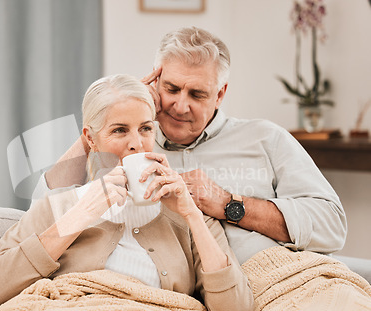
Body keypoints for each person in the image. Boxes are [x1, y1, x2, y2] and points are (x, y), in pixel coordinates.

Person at [38, 27, 347, 265]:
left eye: (197, 94)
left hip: (272, 281)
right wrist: (106, 119)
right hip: (173, 301)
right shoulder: (128, 144)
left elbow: (332, 225)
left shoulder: (266, 138)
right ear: (155, 82)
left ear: (220, 94)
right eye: (171, 88)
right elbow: (42, 206)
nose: (180, 106)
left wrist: (229, 205)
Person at [0, 74, 254, 311]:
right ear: (91, 139)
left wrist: (192, 215)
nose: (136, 142)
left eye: (146, 128)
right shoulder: (61, 204)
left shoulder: (187, 211)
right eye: (119, 130)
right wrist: (82, 213)